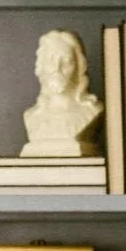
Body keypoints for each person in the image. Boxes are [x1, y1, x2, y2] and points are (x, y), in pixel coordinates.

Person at [20, 28, 101, 156]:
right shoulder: (32, 117)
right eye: (51, 60)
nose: (57, 68)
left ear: (78, 67)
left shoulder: (91, 112)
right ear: (41, 65)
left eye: (66, 61)